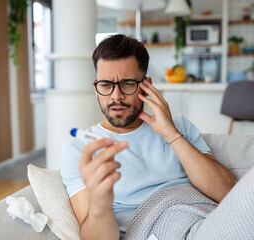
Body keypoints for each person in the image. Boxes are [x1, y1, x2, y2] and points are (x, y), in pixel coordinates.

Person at [61, 34, 236, 240]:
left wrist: (170, 134)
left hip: (205, 223)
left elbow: (227, 192)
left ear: (146, 86)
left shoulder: (178, 126)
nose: (116, 96)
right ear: (96, 89)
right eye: (106, 85)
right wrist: (100, 204)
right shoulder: (79, 150)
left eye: (127, 84)